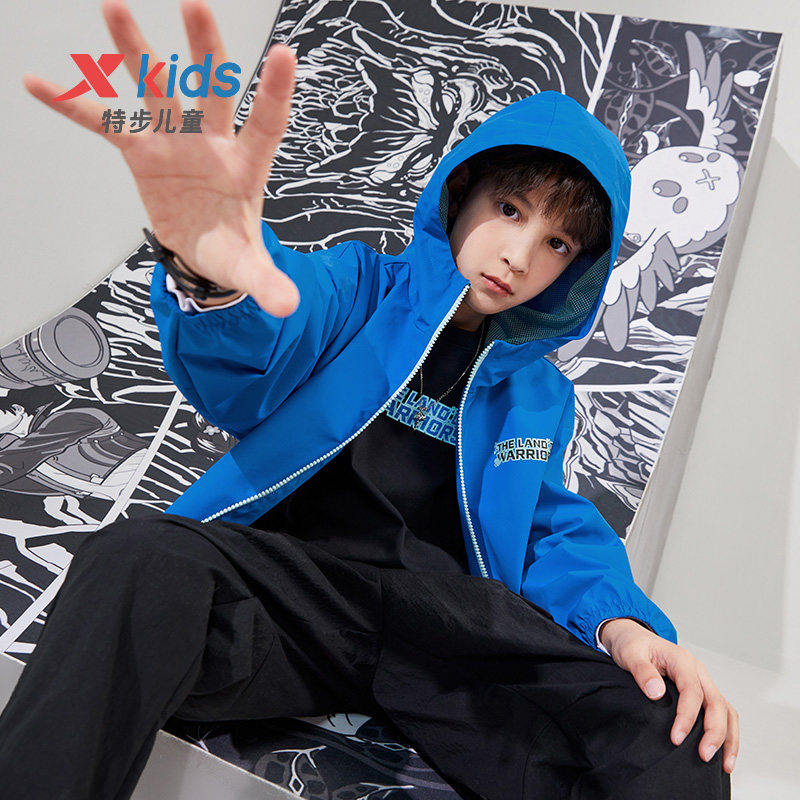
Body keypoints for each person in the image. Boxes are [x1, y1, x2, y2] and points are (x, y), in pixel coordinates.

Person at [0, 1, 738, 798]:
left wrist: (622, 623)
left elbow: (549, 528)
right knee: (139, 556)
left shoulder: (539, 396)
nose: (519, 256)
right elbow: (269, 340)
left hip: (450, 637)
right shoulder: (357, 287)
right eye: (509, 210)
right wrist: (215, 278)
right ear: (462, 194)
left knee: (675, 738)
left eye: (556, 243)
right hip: (291, 605)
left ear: (575, 270)